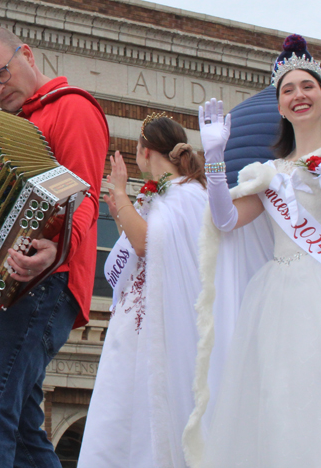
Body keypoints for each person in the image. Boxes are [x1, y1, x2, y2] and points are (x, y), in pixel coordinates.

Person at [183, 35, 321, 468]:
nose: (298, 95)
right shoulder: (269, 174)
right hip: (275, 300)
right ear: (280, 106)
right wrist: (217, 157)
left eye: (307, 87)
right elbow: (225, 219)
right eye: (288, 90)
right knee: (277, 406)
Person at [0, 26, 109, 468]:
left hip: (42, 286)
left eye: (0, 74)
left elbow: (85, 196)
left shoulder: (72, 108)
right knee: (23, 429)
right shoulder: (16, 125)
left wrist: (58, 249)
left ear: (26, 54)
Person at [78, 114, 207, 468]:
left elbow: (146, 242)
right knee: (122, 409)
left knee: (149, 405)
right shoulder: (165, 195)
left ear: (145, 150)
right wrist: (121, 212)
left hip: (161, 322)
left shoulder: (186, 194)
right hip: (135, 319)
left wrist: (121, 192)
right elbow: (145, 246)